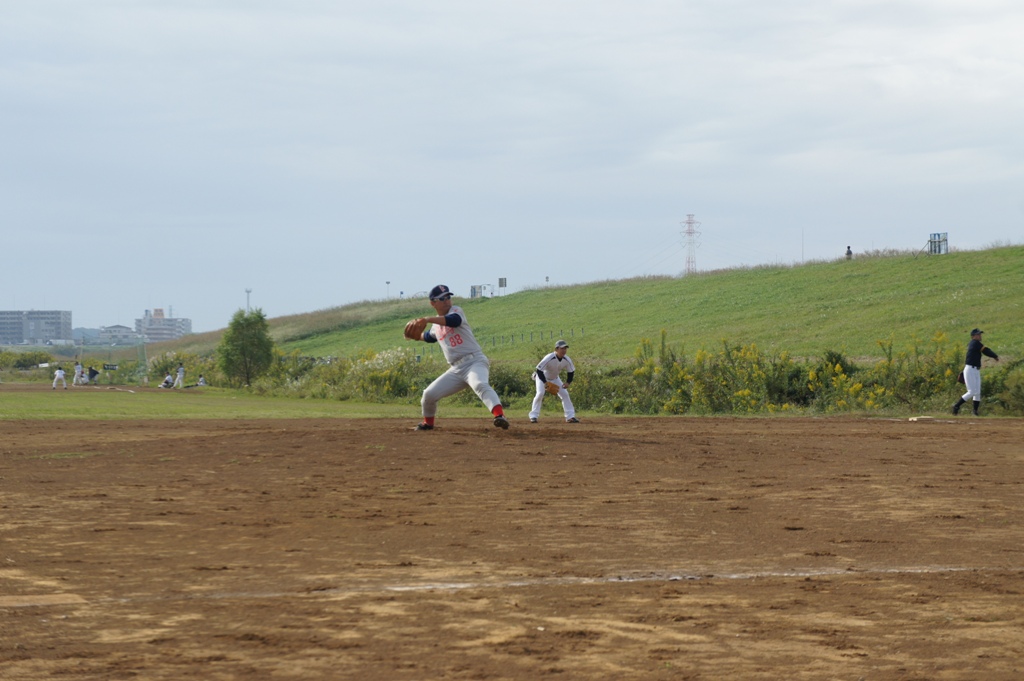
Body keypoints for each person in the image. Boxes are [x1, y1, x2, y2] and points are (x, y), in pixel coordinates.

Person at [405, 284, 509, 431]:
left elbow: (454, 321)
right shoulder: (436, 326)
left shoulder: (456, 311)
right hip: (456, 369)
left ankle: (499, 416)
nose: (447, 300)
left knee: (479, 384)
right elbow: (428, 337)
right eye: (442, 298)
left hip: (474, 361)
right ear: (433, 303)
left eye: (448, 297)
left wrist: (427, 319)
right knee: (428, 394)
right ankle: (428, 424)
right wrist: (415, 337)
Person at [529, 340, 579, 423]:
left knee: (565, 394)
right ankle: (533, 416)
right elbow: (539, 370)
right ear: (556, 349)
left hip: (555, 379)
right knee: (540, 393)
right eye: (562, 348)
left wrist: (568, 382)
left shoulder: (567, 359)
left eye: (565, 348)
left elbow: (571, 371)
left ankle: (570, 417)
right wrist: (545, 383)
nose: (564, 350)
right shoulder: (549, 357)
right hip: (542, 378)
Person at [952, 328, 999, 416]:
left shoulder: (975, 344)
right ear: (973, 336)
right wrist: (995, 356)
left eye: (980, 334)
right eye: (978, 334)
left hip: (975, 370)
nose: (980, 336)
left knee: (977, 392)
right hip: (970, 369)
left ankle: (975, 412)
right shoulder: (975, 343)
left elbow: (985, 350)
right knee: (972, 391)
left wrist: (994, 356)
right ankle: (956, 406)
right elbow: (986, 351)